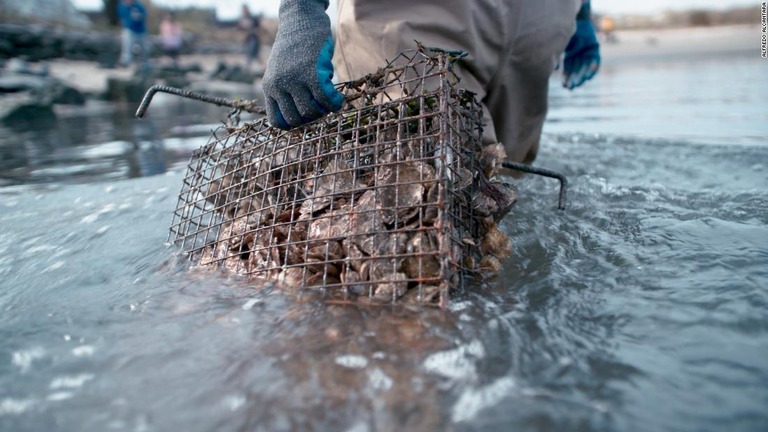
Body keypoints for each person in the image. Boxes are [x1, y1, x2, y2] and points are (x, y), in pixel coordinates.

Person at [262, 0, 600, 165]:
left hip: (542, 14)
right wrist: (300, 9)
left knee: (504, 178)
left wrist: (580, 12)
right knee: (413, 165)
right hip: (417, 9)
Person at [117, 0, 149, 70]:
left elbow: (145, 16)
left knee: (144, 48)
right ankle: (125, 62)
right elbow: (122, 19)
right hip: (129, 29)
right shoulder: (121, 6)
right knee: (126, 46)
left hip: (140, 30)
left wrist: (138, 16)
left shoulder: (139, 5)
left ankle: (144, 62)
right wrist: (121, 30)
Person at [239, 4, 262, 70]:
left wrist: (253, 30)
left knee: (251, 53)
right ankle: (264, 67)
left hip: (254, 39)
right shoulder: (243, 19)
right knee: (256, 55)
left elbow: (259, 28)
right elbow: (241, 29)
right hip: (248, 40)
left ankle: (247, 67)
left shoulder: (252, 18)